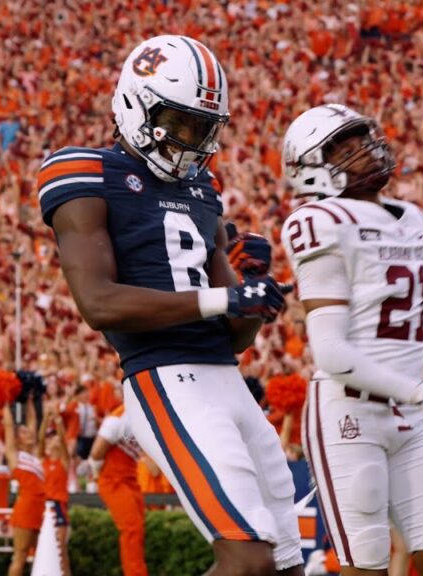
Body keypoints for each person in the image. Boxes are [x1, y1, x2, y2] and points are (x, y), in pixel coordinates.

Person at [38, 35, 302, 575]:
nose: (192, 140)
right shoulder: (86, 173)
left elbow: (233, 334)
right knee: (247, 559)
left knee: (283, 565)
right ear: (135, 103)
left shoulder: (204, 188)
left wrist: (255, 298)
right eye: (180, 122)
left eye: (203, 127)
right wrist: (227, 295)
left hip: (226, 379)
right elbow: (99, 303)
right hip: (165, 379)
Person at [281, 103, 423, 576]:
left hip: (410, 412)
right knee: (365, 564)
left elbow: (378, 318)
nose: (366, 152)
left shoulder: (412, 218)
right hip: (350, 412)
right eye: (346, 148)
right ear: (311, 169)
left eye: (365, 141)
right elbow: (331, 349)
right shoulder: (317, 222)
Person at [89, 396, 148, 576]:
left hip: (130, 478)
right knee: (132, 528)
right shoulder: (118, 418)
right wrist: (97, 474)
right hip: (113, 480)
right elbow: (96, 453)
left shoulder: (144, 416)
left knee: (137, 529)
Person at [1, 400, 45, 576]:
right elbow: (9, 427)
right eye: (24, 432)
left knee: (39, 556)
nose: (29, 433)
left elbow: (33, 421)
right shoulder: (15, 456)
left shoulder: (35, 454)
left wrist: (30, 398)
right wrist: (5, 397)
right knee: (20, 555)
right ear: (18, 438)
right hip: (26, 508)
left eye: (28, 431)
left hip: (41, 508)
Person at [40, 400, 72, 576]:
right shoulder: (42, 461)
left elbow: (65, 445)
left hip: (58, 506)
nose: (52, 441)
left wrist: (58, 420)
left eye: (55, 439)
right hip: (43, 506)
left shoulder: (63, 462)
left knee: (60, 549)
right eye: (50, 439)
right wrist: (45, 418)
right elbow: (39, 440)